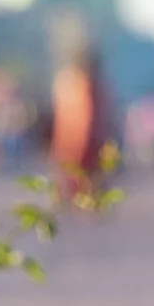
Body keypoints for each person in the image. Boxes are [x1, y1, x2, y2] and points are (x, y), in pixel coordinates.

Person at [49, 48, 113, 200]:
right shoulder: (86, 83)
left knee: (77, 177)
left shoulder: (67, 80)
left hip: (72, 140)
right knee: (81, 177)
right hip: (81, 140)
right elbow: (89, 115)